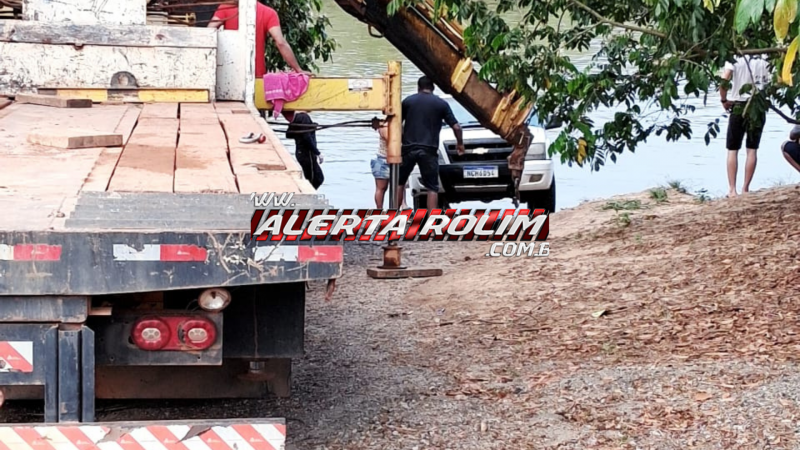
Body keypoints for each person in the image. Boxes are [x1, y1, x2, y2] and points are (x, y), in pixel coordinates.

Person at [397, 76, 464, 209]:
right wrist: (460, 144)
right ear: (433, 88)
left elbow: (396, 123)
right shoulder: (441, 104)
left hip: (408, 148)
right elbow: (456, 127)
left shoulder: (408, 102)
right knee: (432, 187)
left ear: (418, 87)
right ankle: (431, 223)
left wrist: (402, 138)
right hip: (429, 150)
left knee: (400, 183)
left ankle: (394, 215)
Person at [207, 2, 308, 78]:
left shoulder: (226, 8)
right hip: (256, 75)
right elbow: (281, 42)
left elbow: (208, 32)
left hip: (228, 75)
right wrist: (298, 69)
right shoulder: (268, 13)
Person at [720, 55, 771, 197]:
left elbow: (724, 79)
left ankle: (732, 190)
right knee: (752, 150)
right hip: (758, 105)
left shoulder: (734, 57)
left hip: (738, 105)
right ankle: (746, 188)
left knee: (732, 149)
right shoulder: (766, 56)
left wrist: (723, 99)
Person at [370, 121, 409, 209]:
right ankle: (379, 209)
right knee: (381, 188)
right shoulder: (384, 125)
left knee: (400, 185)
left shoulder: (400, 124)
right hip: (384, 159)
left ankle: (403, 205)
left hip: (397, 158)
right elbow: (391, 139)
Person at [284, 111, 324, 189]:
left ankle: (308, 194)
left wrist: (312, 126)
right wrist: (318, 153)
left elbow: (289, 134)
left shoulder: (296, 118)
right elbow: (306, 137)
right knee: (315, 179)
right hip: (307, 153)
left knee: (316, 178)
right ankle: (308, 196)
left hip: (300, 153)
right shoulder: (304, 117)